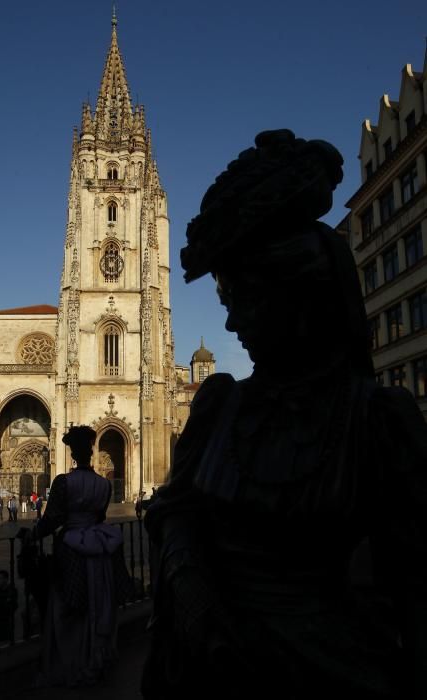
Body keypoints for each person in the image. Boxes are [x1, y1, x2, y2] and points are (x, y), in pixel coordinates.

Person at [142, 130, 427, 700]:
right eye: (227, 300)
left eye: (245, 299)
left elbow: (417, 586)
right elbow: (174, 514)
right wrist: (193, 591)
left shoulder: (375, 420)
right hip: (214, 670)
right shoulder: (219, 403)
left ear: (303, 296)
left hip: (336, 674)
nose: (230, 325)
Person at [33, 425, 123, 687]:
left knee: (68, 606)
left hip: (71, 550)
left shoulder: (64, 482)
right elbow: (100, 517)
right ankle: (95, 657)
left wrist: (33, 535)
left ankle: (70, 662)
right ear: (91, 452)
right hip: (97, 551)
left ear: (73, 454)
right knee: (96, 603)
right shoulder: (104, 485)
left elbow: (54, 519)